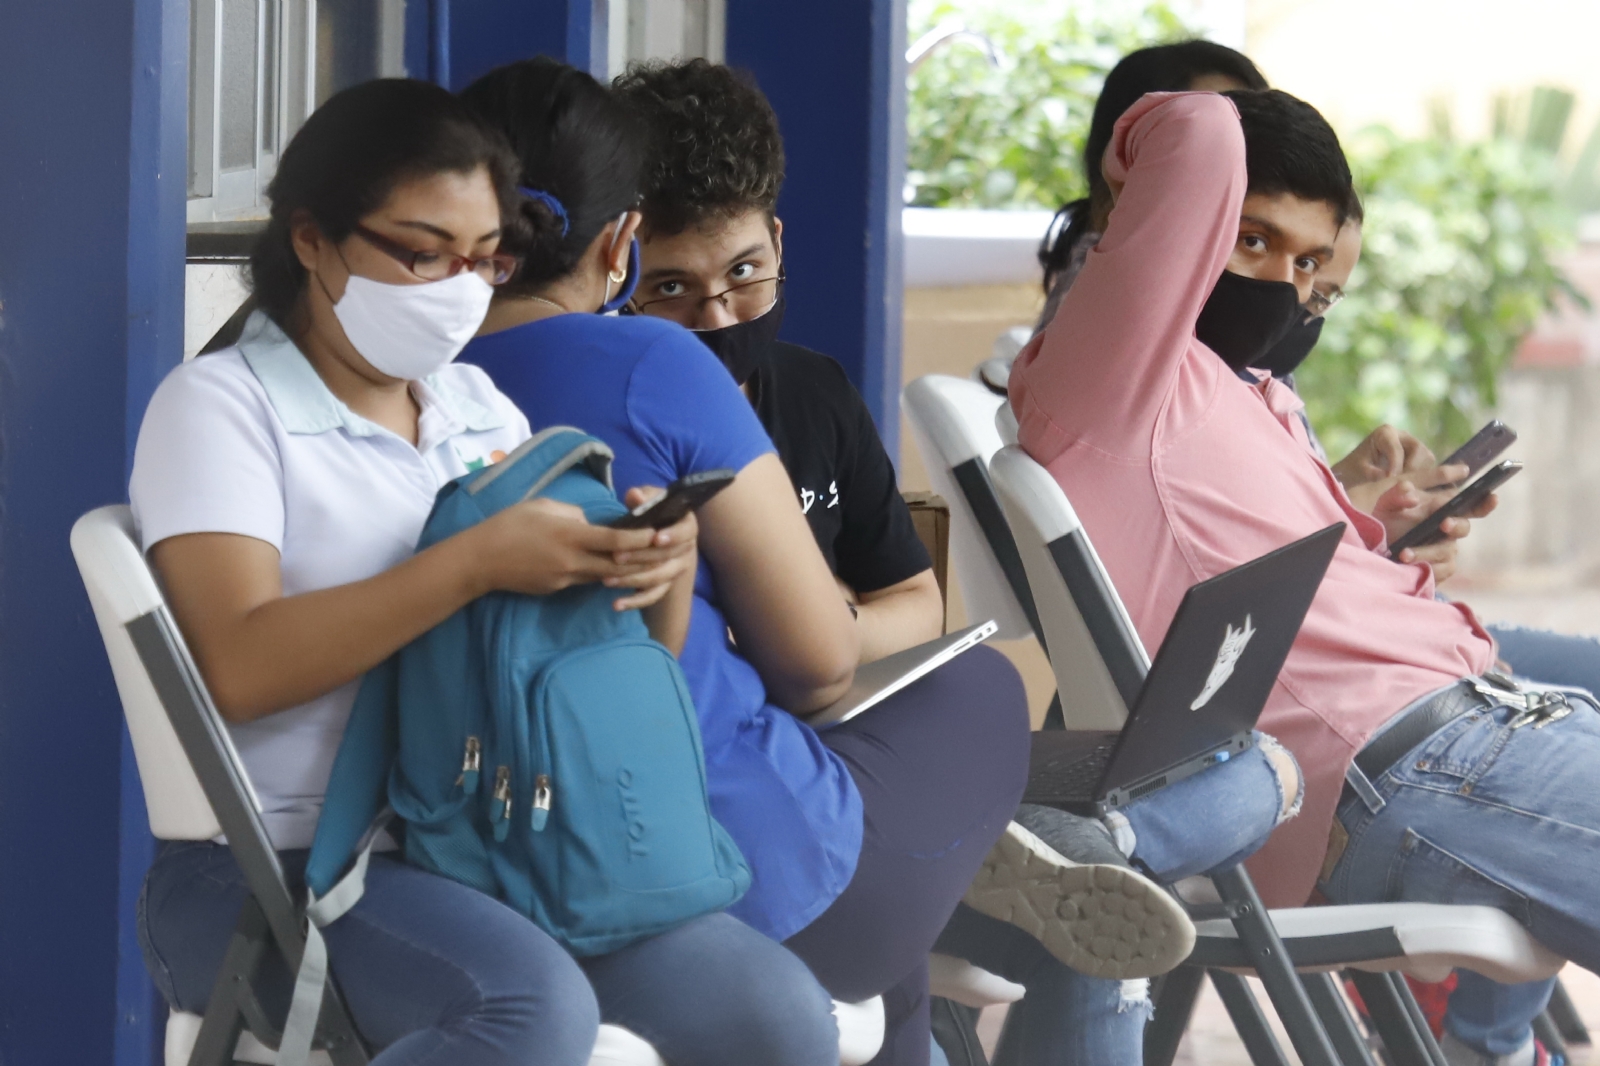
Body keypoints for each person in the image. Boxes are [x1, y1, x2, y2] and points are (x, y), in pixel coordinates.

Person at [129, 78, 839, 1066]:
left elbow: (615, 666)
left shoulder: (475, 411)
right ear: (310, 238)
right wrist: (469, 564)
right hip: (275, 863)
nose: (455, 285)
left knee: (775, 1015)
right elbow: (240, 669)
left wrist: (659, 571)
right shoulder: (219, 409)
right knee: (527, 1012)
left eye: (482, 258)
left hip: (492, 845)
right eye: (419, 252)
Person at [457, 56, 1037, 1066]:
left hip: (479, 857)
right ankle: (1002, 874)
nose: (716, 315)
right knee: (978, 688)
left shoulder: (396, 385)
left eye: (743, 277)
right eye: (674, 284)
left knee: (888, 954)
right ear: (623, 245)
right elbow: (816, 663)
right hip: (719, 871)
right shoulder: (652, 366)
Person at [1010, 85, 1600, 1066]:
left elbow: (1277, 583)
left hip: (1473, 726)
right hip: (1411, 762)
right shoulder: (1118, 370)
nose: (1284, 287)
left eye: (1311, 269)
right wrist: (1150, 154)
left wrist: (1373, 526)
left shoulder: (1228, 392)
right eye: (1251, 242)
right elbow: (1197, 133)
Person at [1034, 41, 1268, 333]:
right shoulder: (1103, 288)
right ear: (1126, 153)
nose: (1243, 155)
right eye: (1213, 132)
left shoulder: (1247, 277)